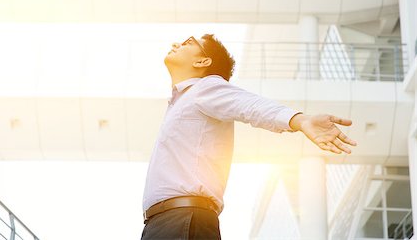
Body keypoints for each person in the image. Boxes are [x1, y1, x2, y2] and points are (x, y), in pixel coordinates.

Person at [140, 34, 357, 239]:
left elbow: (250, 106)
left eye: (188, 42)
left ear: (202, 62)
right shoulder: (181, 101)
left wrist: (299, 120)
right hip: (164, 222)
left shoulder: (204, 88)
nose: (177, 44)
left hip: (184, 220)